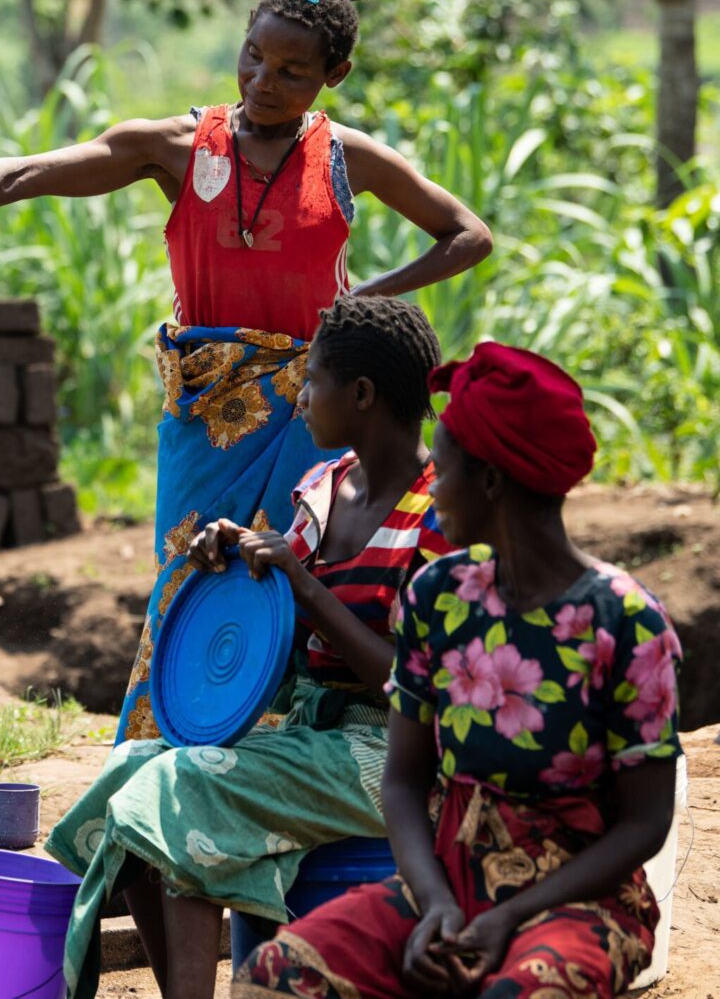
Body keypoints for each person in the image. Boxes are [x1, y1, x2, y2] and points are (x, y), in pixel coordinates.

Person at [0, 0, 493, 741]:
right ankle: (164, 756)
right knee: (185, 578)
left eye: (292, 72)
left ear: (332, 76)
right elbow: (24, 175)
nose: (262, 82)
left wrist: (366, 300)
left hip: (315, 407)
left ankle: (281, 756)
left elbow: (466, 233)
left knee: (288, 577)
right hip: (206, 408)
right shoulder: (178, 148)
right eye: (252, 58)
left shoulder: (346, 159)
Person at [237, 343, 682, 999]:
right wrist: (435, 903)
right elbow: (404, 779)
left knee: (518, 992)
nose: (431, 487)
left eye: (441, 472)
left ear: (492, 483)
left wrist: (508, 916)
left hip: (582, 901)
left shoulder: (627, 625)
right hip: (449, 881)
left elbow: (646, 824)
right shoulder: (441, 597)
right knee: (280, 975)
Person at [44, 295, 456, 999]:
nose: (297, 398)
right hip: (310, 734)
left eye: (311, 379)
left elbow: (417, 689)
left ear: (361, 395)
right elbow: (276, 622)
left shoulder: (437, 515)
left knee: (188, 784)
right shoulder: (322, 490)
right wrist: (237, 564)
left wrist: (305, 590)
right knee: (132, 767)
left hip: (395, 754)